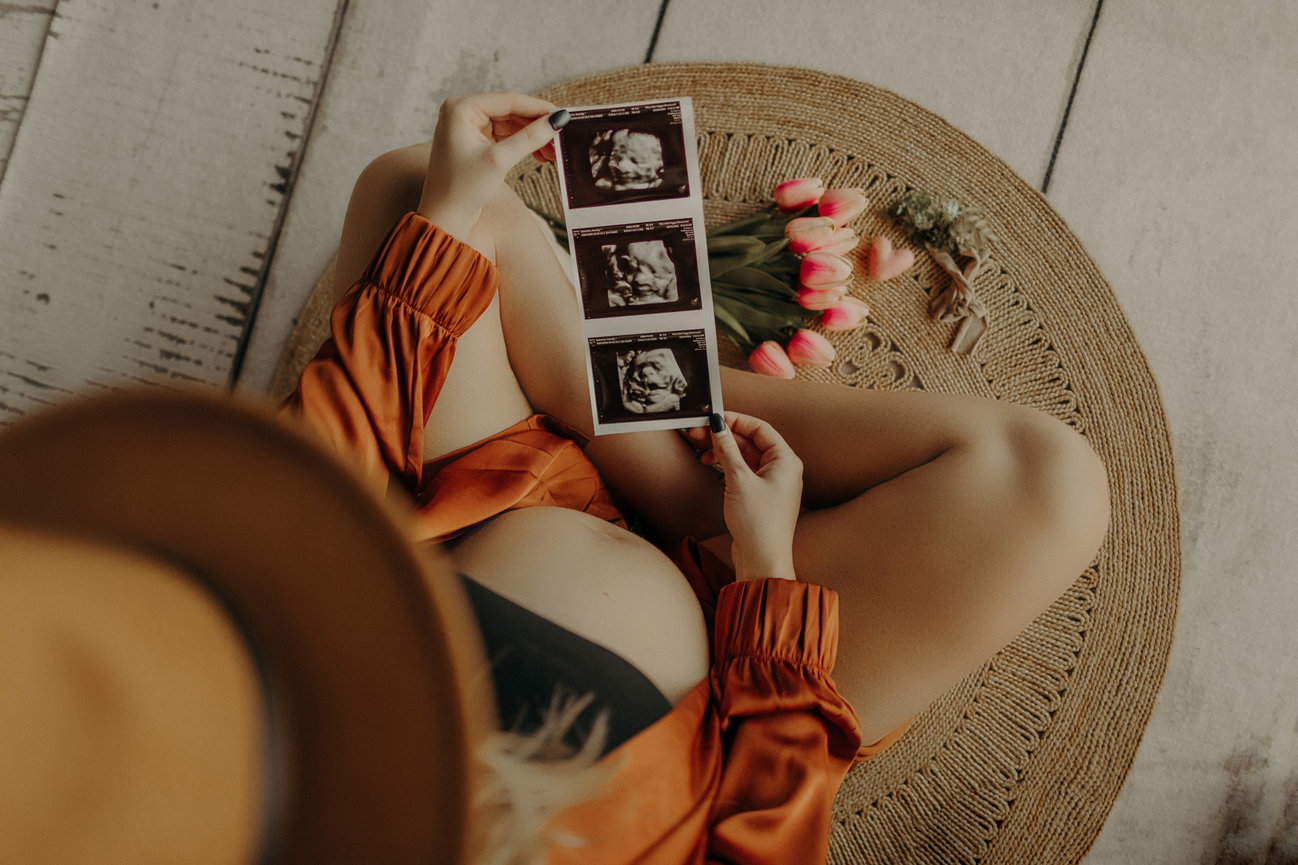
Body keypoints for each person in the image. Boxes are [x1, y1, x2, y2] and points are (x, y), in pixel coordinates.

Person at [283, 91, 1111, 862]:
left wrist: (445, 217)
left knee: (412, 189)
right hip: (735, 671)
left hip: (475, 503)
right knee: (1052, 483)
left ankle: (654, 441)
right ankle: (663, 410)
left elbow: (300, 536)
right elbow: (764, 829)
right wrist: (766, 569)